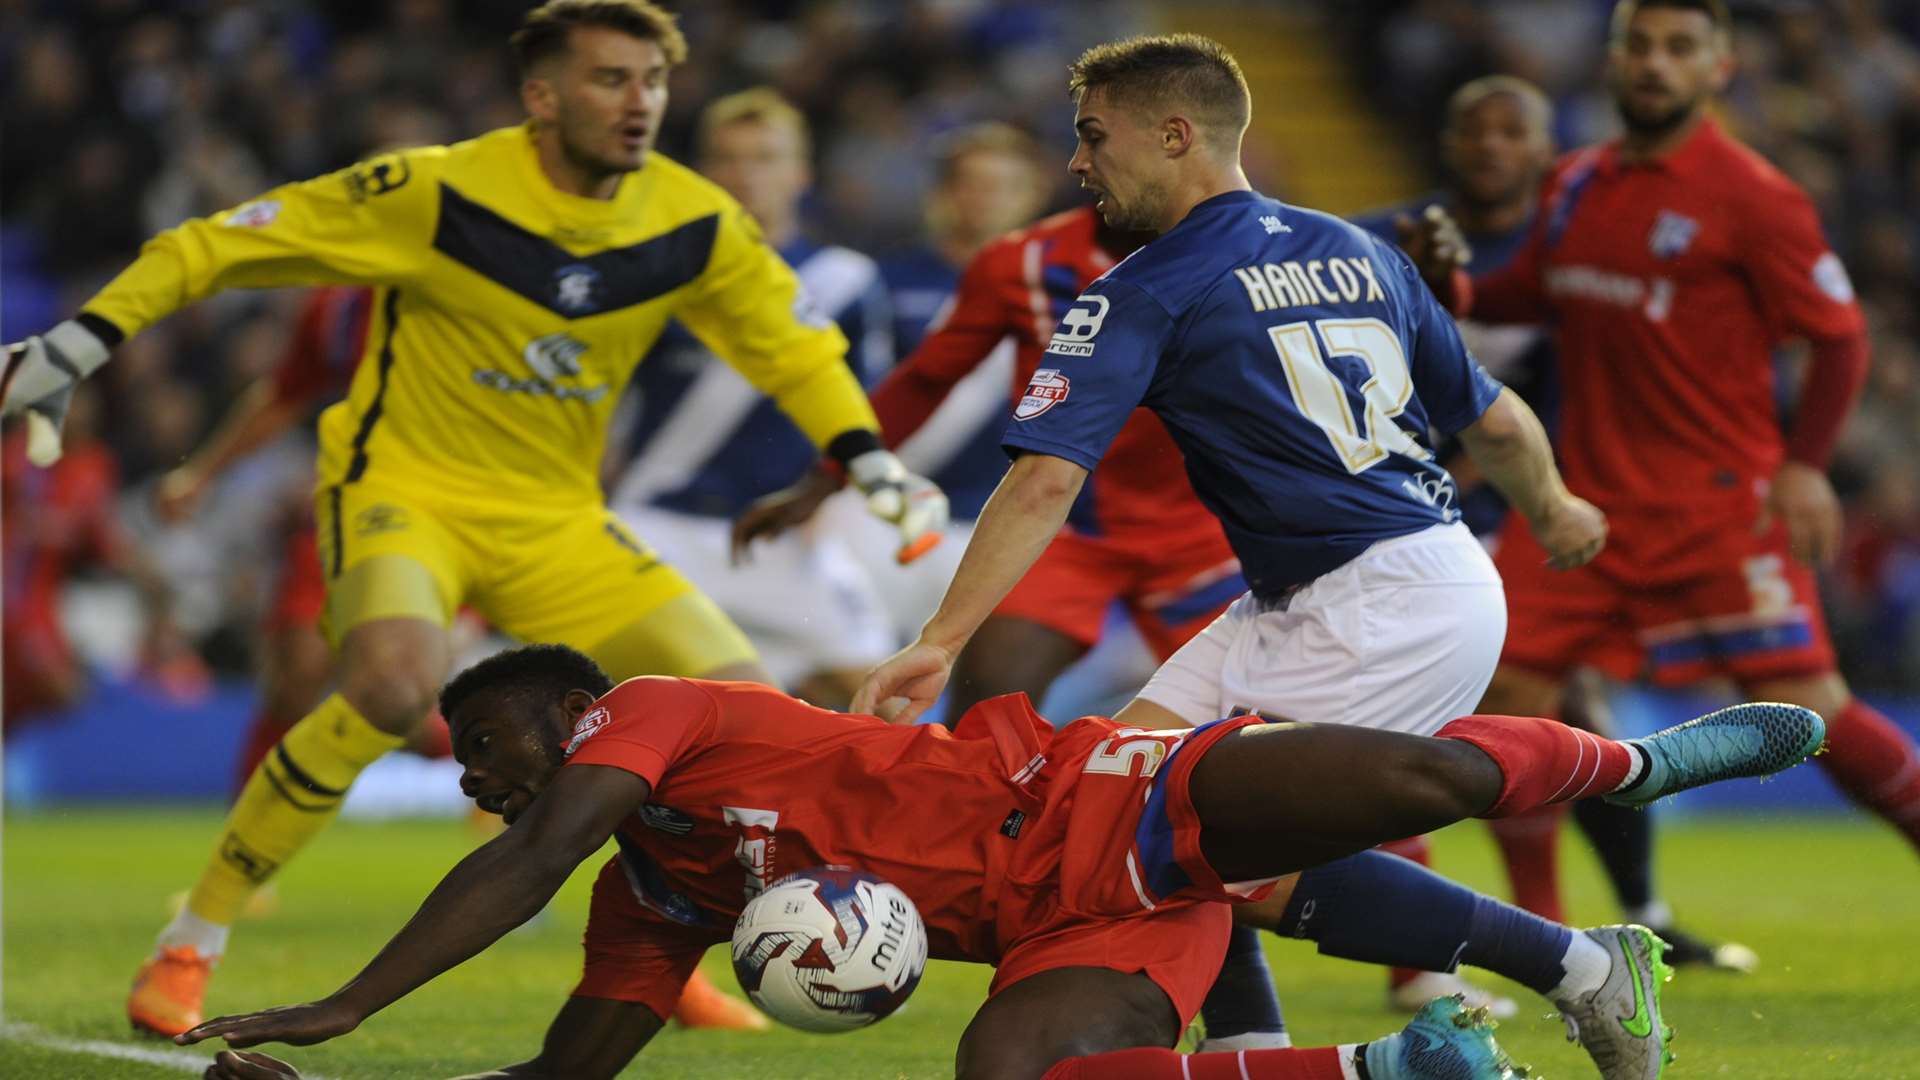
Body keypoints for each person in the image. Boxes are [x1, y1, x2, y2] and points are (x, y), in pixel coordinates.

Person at [0, 0, 943, 1038]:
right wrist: (82, 341)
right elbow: (219, 244)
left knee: (746, 714)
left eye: (653, 82)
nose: (639, 103)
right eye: (609, 79)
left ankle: (659, 954)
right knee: (392, 684)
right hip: (406, 493)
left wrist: (866, 456)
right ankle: (196, 937)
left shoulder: (691, 220)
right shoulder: (434, 190)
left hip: (556, 519)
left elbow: (791, 349)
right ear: (542, 97)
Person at [176, 643, 1825, 1080]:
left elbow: (531, 856)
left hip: (1096, 796)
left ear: (569, 718)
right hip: (1069, 935)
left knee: (1407, 775)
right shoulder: (658, 891)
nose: (478, 785)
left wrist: (345, 1004)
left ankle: (1644, 762)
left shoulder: (662, 712)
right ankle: (1400, 1068)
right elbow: (562, 1074)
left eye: (486, 755)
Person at [1404, 0, 1920, 929]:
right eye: (1638, 45)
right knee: (1510, 703)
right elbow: (1534, 293)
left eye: (1680, 48)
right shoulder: (1574, 183)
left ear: (1718, 69)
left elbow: (1839, 338)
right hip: (1583, 511)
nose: (1654, 63)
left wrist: (1805, 466)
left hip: (1715, 510)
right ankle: (1557, 941)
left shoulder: (1756, 196)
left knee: (1815, 715)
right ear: (1612, 61)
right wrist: (1461, 289)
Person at [738, 200, 1294, 1047]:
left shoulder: (1253, 249)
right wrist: (824, 482)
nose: (1083, 164)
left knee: (1271, 764)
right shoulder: (1021, 264)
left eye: (1098, 140)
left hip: (1202, 532)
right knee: (992, 711)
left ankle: (1414, 971)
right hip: (1071, 528)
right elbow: (927, 377)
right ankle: (1039, 934)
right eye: (1082, 142)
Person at [1372, 72, 1750, 972]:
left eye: (1513, 132)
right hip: (1402, 515)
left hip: (1528, 509)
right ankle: (1437, 957)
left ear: (1546, 152)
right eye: (1474, 129)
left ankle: (1626, 919)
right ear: (1448, 143)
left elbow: (1583, 389)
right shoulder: (1387, 241)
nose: (1491, 146)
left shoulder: (1575, 249)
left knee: (1567, 712)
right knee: (1432, 717)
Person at [607, 87, 899, 709]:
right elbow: (606, 399)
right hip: (655, 522)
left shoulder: (845, 280)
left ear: (800, 172)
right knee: (590, 699)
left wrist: (828, 502)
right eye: (728, 158)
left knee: (879, 697)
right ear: (705, 171)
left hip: (781, 529)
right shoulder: (658, 267)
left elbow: (872, 407)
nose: (745, 175)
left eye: (765, 157)